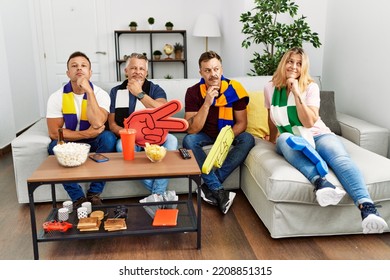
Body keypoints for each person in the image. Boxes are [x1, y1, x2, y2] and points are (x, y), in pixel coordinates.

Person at [264, 47, 389, 233]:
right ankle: (321, 182)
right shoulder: (270, 87)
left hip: (318, 134)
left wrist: (297, 92)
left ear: (304, 67)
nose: (294, 67)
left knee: (340, 159)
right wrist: (271, 137)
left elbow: (308, 121)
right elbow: (272, 116)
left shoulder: (311, 87)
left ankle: (367, 208)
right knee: (285, 139)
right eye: (290, 61)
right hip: (291, 138)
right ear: (284, 62)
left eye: (299, 63)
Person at [183, 51, 255, 214]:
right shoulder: (193, 92)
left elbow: (242, 123)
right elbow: (192, 129)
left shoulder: (235, 90)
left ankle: (210, 187)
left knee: (248, 139)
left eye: (216, 69)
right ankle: (218, 190)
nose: (213, 74)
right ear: (201, 72)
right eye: (207, 70)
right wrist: (207, 103)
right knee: (188, 141)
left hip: (228, 133)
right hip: (205, 134)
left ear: (221, 70)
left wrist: (223, 141)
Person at [108, 53, 178, 210]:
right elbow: (112, 124)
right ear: (126, 70)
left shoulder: (155, 89)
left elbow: (164, 111)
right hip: (130, 138)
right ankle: (160, 196)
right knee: (121, 147)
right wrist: (126, 134)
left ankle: (156, 197)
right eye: (133, 68)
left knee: (172, 140)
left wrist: (139, 93)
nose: (137, 71)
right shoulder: (115, 91)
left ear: (146, 72)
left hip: (155, 138)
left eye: (141, 68)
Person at [47, 51, 116, 208]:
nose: (79, 69)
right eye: (74, 66)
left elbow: (98, 122)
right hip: (71, 142)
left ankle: (94, 193)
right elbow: (53, 133)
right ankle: (78, 197)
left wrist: (89, 92)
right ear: (68, 73)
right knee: (53, 147)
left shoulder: (101, 94)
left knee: (108, 138)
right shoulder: (57, 97)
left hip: (94, 139)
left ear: (90, 73)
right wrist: (86, 133)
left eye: (84, 66)